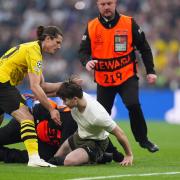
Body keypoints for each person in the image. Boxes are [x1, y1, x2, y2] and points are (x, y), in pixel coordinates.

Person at [79, 0, 159, 152]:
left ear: (115, 4)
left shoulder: (128, 23)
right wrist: (87, 62)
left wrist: (151, 71)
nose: (106, 7)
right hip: (104, 79)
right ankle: (105, 147)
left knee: (133, 104)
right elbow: (82, 51)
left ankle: (143, 140)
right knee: (101, 115)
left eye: (109, 3)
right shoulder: (91, 26)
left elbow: (144, 47)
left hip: (126, 76)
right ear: (98, 5)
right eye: (103, 4)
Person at [0, 25, 64, 167]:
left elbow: (42, 86)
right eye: (57, 42)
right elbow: (35, 87)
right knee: (27, 117)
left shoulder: (33, 49)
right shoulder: (34, 51)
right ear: (47, 39)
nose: (59, 46)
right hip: (2, 83)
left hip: (3, 83)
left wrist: (66, 85)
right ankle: (34, 158)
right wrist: (51, 109)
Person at [0, 99, 124, 164]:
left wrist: (118, 156)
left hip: (48, 141)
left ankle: (3, 154)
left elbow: (102, 137)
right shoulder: (72, 118)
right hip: (32, 122)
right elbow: (40, 109)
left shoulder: (90, 127)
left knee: (40, 158)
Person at [48, 80, 133, 166]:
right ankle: (100, 157)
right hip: (79, 136)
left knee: (68, 162)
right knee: (56, 157)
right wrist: (43, 96)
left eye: (65, 100)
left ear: (75, 99)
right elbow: (62, 92)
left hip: (96, 142)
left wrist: (129, 155)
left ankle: (100, 156)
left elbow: (119, 133)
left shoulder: (98, 116)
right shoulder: (76, 95)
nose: (64, 103)